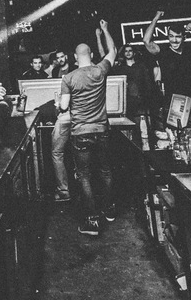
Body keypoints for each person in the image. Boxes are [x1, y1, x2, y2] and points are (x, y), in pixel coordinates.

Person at [60, 19, 117, 236]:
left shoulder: (68, 77)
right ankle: (109, 210)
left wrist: (60, 103)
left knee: (83, 175)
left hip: (80, 133)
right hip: (102, 130)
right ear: (91, 54)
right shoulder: (100, 70)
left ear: (75, 58)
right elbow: (112, 51)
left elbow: (63, 106)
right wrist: (105, 30)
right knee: (105, 171)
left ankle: (92, 221)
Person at [142, 11, 191, 101]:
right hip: (172, 100)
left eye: (178, 37)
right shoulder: (163, 52)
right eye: (171, 36)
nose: (174, 40)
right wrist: (156, 18)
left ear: (184, 38)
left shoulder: (190, 51)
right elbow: (146, 41)